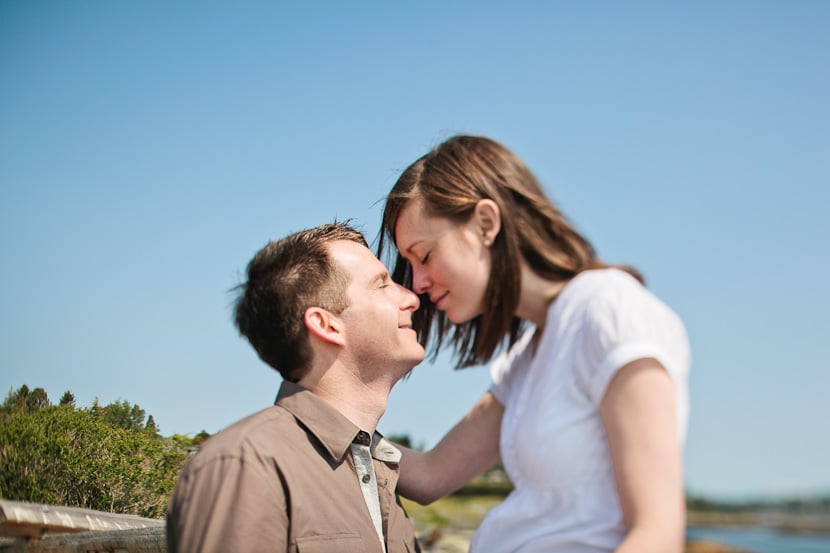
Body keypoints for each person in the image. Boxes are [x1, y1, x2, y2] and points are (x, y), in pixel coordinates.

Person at [377, 135, 691, 553]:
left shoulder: (609, 311)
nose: (417, 283)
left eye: (425, 255)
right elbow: (431, 474)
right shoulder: (526, 358)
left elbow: (657, 535)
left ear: (486, 223)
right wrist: (317, 416)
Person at [166, 222, 425, 553]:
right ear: (326, 324)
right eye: (382, 285)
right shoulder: (245, 464)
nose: (411, 298)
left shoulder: (379, 472)